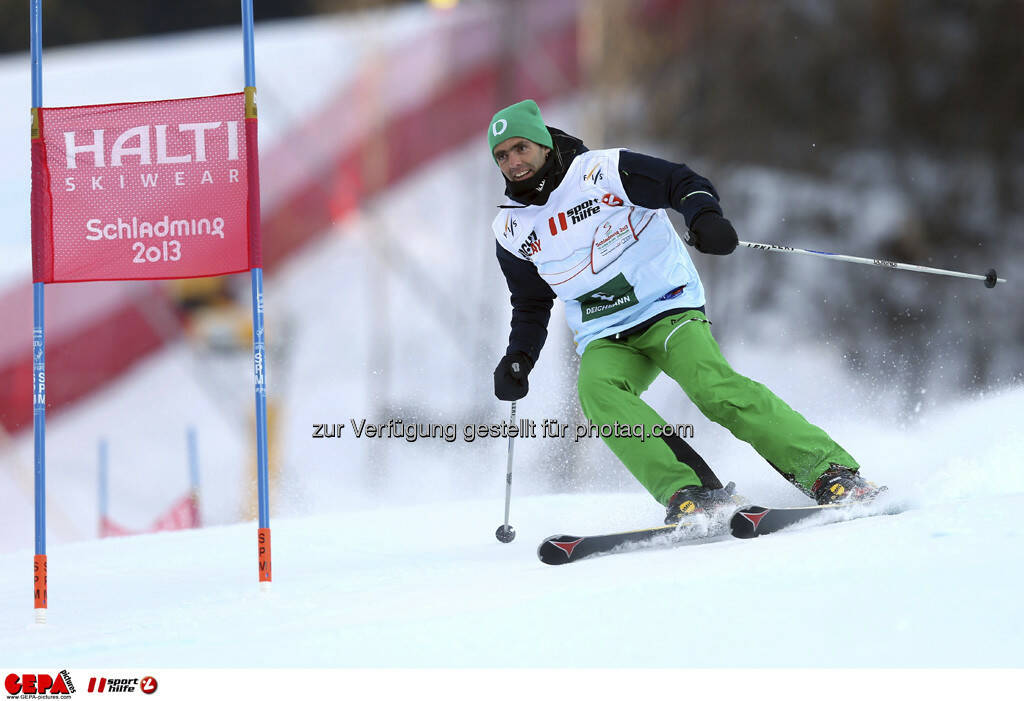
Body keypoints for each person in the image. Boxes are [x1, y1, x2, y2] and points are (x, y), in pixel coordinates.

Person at [487, 99, 883, 525]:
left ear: (544, 145)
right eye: (502, 156)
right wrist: (519, 357)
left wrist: (705, 216)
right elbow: (530, 302)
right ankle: (692, 492)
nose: (514, 162)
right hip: (605, 333)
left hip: (666, 306)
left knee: (711, 387)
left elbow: (680, 181)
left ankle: (830, 473)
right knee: (598, 393)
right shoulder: (512, 229)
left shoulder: (601, 172)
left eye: (521, 148)